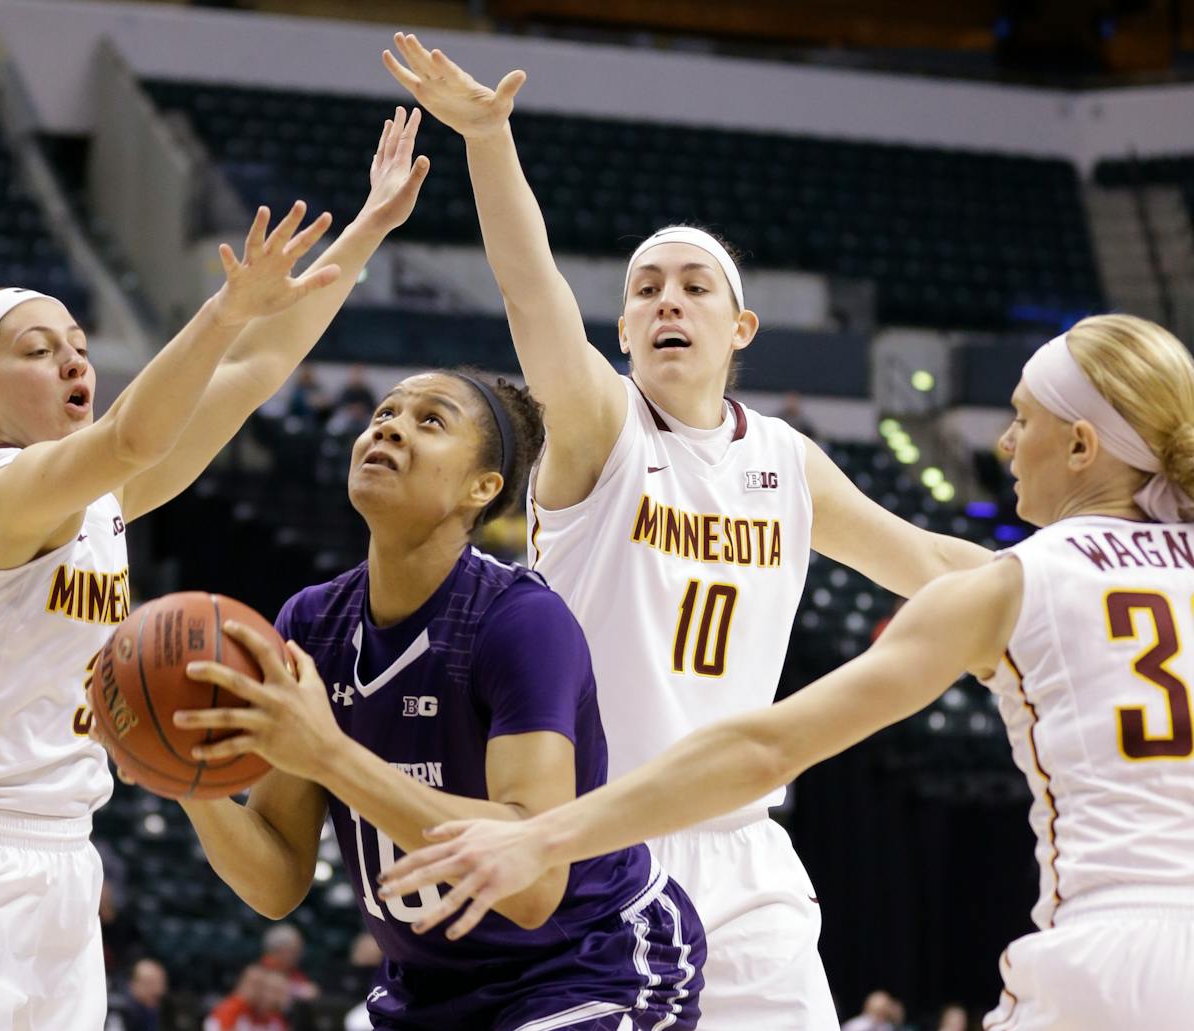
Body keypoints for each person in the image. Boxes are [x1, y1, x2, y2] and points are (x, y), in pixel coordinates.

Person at [382, 32, 992, 1030]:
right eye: (644, 289)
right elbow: (531, 296)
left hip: (743, 845)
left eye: (692, 286)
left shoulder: (787, 461)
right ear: (621, 332)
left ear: (738, 327)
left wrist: (1087, 575)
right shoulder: (599, 430)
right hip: (593, 839)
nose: (666, 299)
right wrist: (489, 141)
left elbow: (929, 564)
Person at [378, 314, 1194, 1030]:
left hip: (1109, 954)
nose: (1005, 443)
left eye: (1020, 419)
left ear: (1083, 445)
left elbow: (767, 751)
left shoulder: (1017, 585)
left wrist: (541, 835)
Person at [0, 107, 431, 1030]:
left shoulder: (103, 503)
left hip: (68, 879)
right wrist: (224, 305)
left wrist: (371, 226)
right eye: (39, 349)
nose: (73, 358)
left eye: (76, 343)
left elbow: (260, 366)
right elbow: (138, 431)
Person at [176, 367, 706, 1029]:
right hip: (429, 993)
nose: (389, 425)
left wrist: (330, 753)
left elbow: (533, 885)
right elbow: (279, 876)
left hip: (585, 967)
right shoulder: (310, 625)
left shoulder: (519, 621)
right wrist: (183, 774)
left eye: (430, 420)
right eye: (385, 412)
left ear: (481, 488)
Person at [259, 923, 318, 1003]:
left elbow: (311, 991)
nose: (298, 955)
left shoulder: (293, 971)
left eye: (298, 951)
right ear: (279, 949)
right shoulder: (260, 970)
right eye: (294, 951)